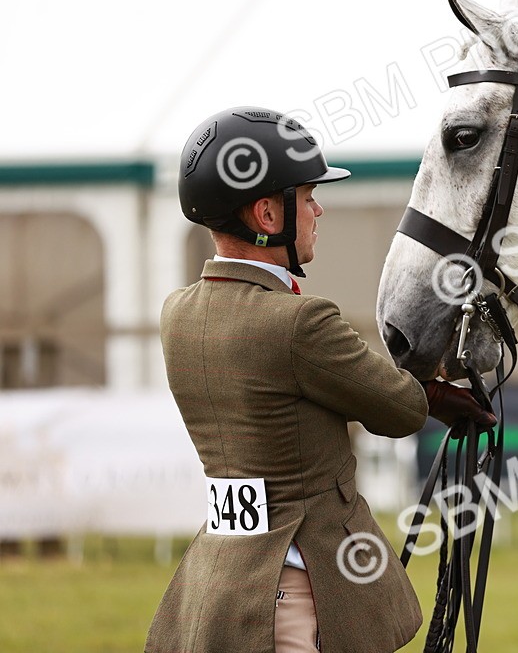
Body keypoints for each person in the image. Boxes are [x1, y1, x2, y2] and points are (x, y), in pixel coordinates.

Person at [145, 107, 494, 653]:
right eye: (306, 197)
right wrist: (429, 390)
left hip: (218, 582)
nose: (318, 209)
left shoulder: (177, 314)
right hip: (300, 591)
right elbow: (397, 411)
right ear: (266, 214)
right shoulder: (298, 323)